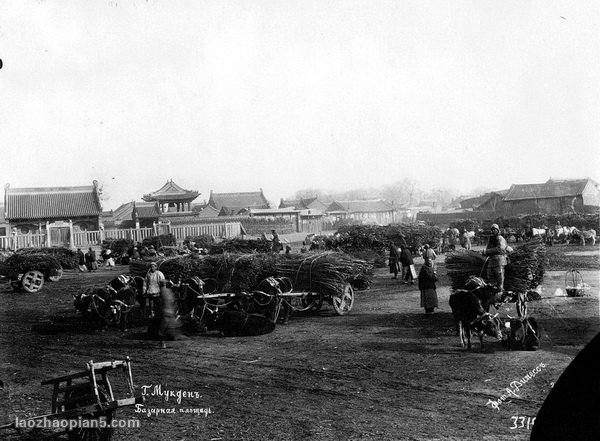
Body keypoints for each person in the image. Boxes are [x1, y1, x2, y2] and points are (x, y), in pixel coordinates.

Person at [483, 223, 508, 292]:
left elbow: (500, 249)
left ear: (498, 230)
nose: (493, 231)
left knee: (499, 279)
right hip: (491, 261)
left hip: (499, 261)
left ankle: (500, 292)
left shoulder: (500, 238)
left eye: (495, 229)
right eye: (492, 230)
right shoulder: (491, 239)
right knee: (490, 278)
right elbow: (488, 248)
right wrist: (485, 252)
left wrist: (488, 251)